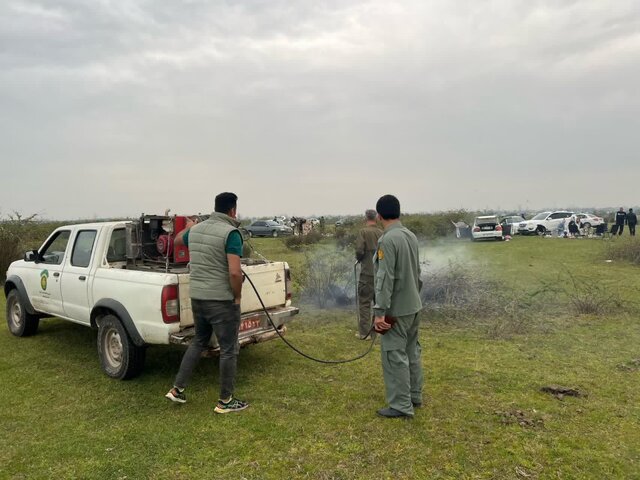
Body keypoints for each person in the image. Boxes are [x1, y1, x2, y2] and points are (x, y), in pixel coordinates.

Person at [165, 192, 248, 414]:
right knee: (229, 349)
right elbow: (234, 272)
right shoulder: (231, 233)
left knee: (199, 342)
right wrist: (237, 296)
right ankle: (225, 401)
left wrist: (190, 226)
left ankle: (177, 389)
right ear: (233, 210)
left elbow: (177, 240)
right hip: (221, 301)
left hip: (198, 298)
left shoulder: (196, 230)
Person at [373, 195, 423, 419]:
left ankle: (401, 406)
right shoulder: (410, 236)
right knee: (412, 352)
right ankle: (414, 396)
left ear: (379, 215)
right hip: (413, 305)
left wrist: (379, 313)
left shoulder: (387, 240)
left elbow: (384, 278)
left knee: (395, 355)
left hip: (397, 310)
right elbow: (417, 273)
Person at [354, 209, 383, 339]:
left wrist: (359, 259)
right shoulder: (382, 233)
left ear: (365, 218)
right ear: (376, 218)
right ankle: (375, 332)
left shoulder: (363, 232)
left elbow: (359, 251)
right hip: (380, 274)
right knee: (378, 304)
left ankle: (364, 334)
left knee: (365, 303)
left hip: (367, 273)